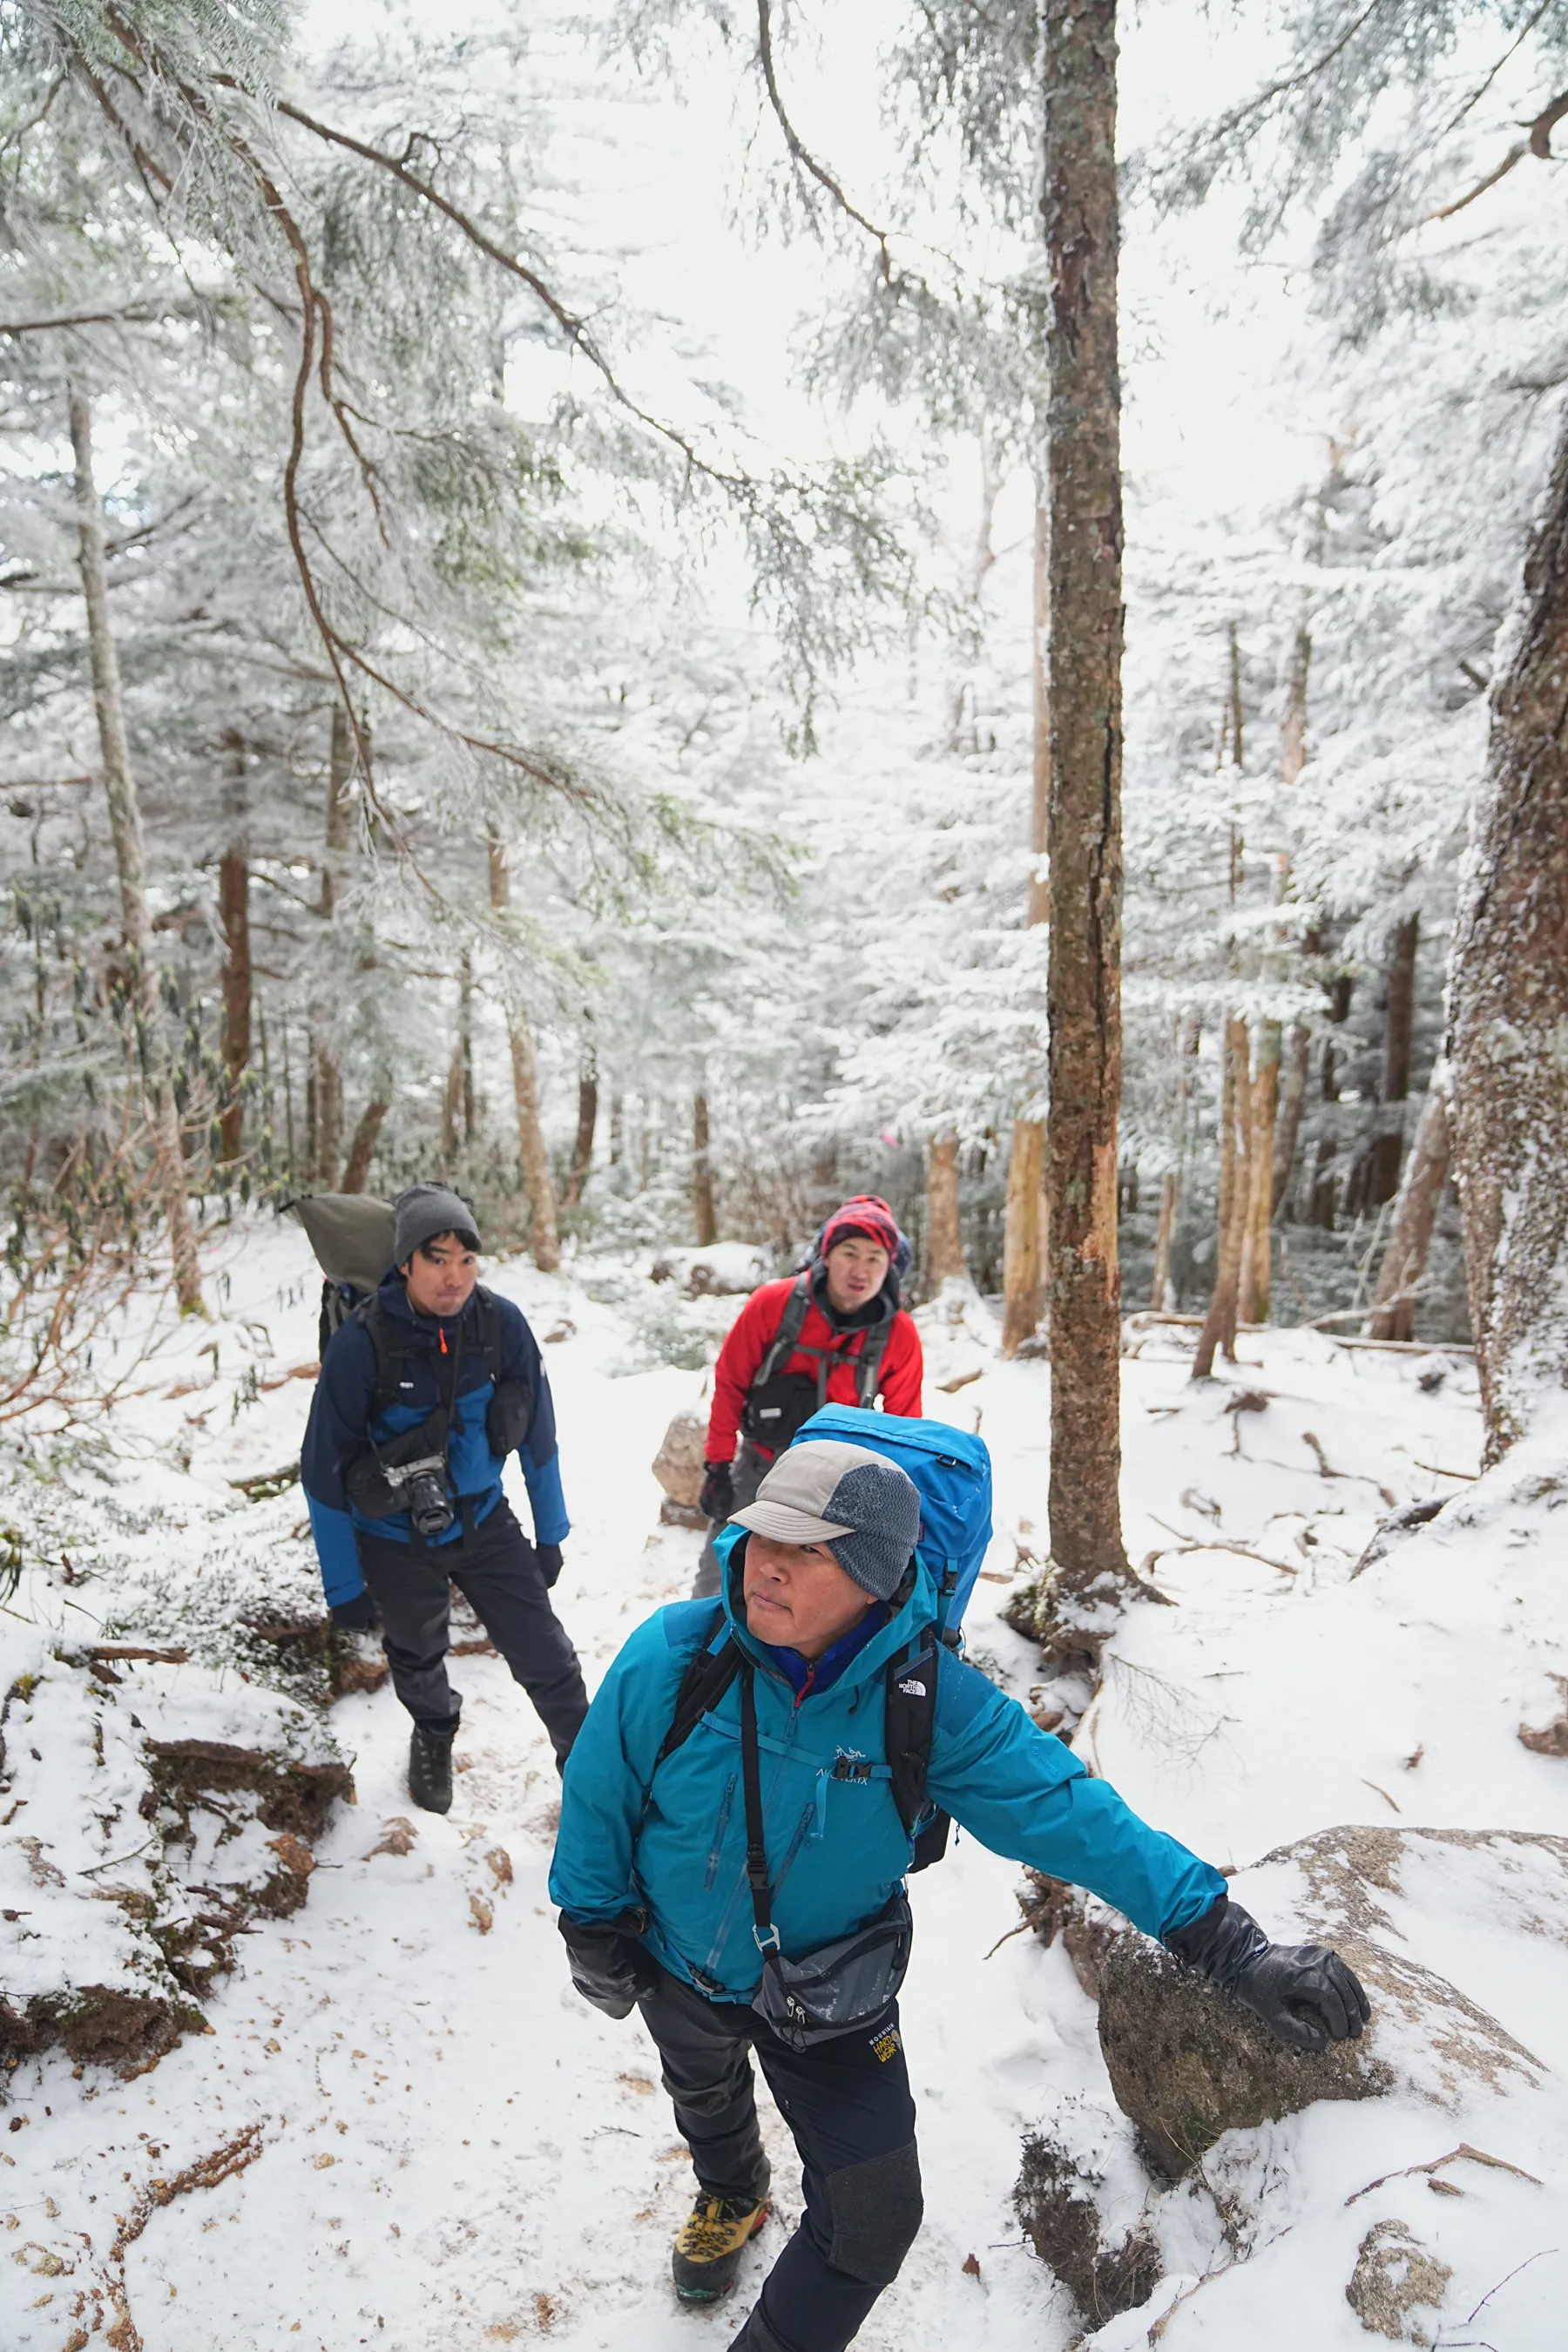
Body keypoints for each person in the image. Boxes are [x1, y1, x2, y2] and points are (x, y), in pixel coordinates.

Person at [550, 1440, 1369, 2352]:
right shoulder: (677, 1653)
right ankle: (734, 2192)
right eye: (761, 1535)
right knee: (702, 2091)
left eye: (808, 1549)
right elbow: (600, 1788)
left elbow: (1072, 1816)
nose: (766, 1563)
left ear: (873, 1575)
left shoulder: (929, 1704)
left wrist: (1231, 1944)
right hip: (671, 1958)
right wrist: (589, 1918)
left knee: (871, 2224)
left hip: (828, 1995)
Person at [301, 1182, 589, 1812]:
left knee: (546, 1650)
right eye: (436, 1259)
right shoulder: (363, 1340)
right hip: (393, 1536)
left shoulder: (500, 1323)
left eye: (466, 1259)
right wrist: (344, 1588)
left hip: (483, 1516)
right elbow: (322, 1470)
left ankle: (589, 1767)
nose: (453, 1276)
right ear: (405, 1262)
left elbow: (538, 1434)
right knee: (415, 1650)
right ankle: (433, 1732)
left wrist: (550, 1533)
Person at [693, 1195, 923, 1598]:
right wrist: (717, 1465)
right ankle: (699, 1655)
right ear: (826, 1255)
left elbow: (906, 1428)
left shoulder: (898, 1335)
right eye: (849, 1252)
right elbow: (730, 1382)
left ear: (890, 1268)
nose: (860, 1269)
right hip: (761, 1467)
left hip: (844, 1490)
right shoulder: (772, 1304)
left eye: (874, 1258)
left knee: (815, 1600)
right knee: (721, 1578)